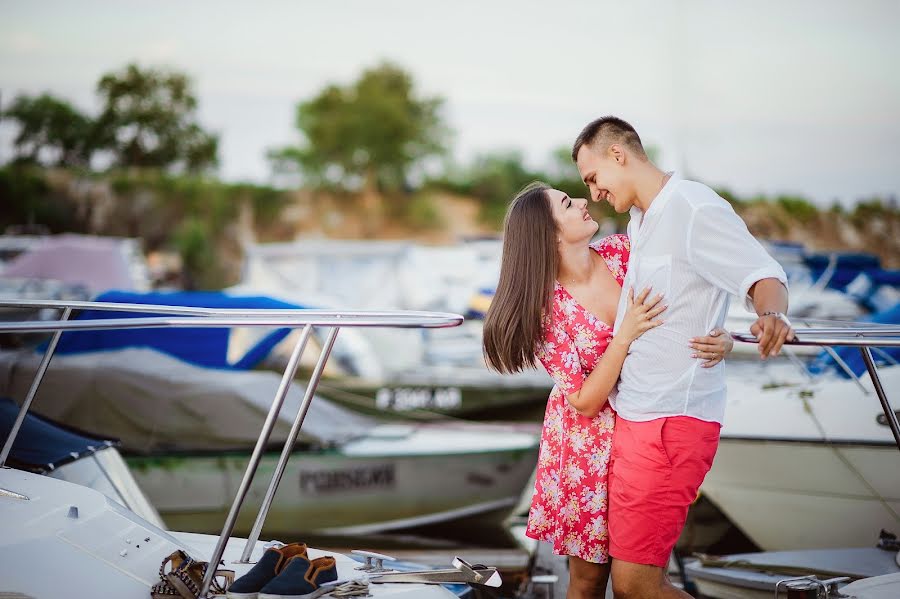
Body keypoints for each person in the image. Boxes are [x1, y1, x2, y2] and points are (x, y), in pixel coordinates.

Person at [572, 116, 794, 598]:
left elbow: (760, 275)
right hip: (636, 419)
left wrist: (770, 315)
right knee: (642, 577)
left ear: (618, 155)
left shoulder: (693, 207)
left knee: (635, 584)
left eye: (593, 179)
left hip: (672, 423)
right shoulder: (641, 219)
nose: (593, 194)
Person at [481, 182, 734, 598]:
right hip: (586, 449)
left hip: (647, 424)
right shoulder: (545, 309)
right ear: (549, 234)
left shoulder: (621, 253)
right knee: (589, 579)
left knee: (641, 573)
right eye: (567, 202)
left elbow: (689, 296)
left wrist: (725, 338)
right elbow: (582, 400)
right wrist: (625, 333)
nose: (583, 201)